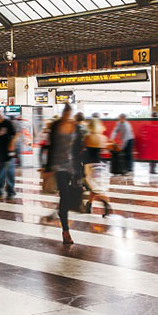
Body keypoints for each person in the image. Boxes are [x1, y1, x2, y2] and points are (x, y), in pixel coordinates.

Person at [46, 104, 77, 244]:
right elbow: (51, 147)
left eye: (69, 114)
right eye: (66, 113)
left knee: (70, 197)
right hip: (58, 165)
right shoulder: (55, 126)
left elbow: (78, 147)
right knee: (64, 195)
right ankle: (65, 231)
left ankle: (60, 211)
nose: (67, 116)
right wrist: (47, 169)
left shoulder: (73, 126)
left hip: (71, 165)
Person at [83, 118, 112, 217]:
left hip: (89, 163)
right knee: (95, 185)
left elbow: (82, 149)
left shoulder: (88, 137)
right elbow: (104, 150)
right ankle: (89, 205)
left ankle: (106, 204)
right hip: (101, 164)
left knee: (94, 186)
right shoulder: (103, 138)